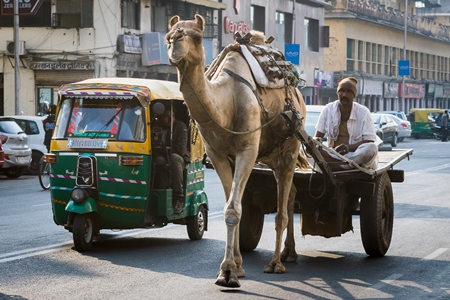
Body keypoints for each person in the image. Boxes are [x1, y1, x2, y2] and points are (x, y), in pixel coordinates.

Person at [312, 77, 378, 171]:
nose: (344, 95)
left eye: (349, 92)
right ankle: (340, 164)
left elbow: (369, 140)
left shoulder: (363, 112)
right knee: (306, 148)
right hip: (331, 154)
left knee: (371, 148)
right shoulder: (328, 109)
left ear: (354, 95)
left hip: (355, 155)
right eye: (341, 91)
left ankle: (342, 165)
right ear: (337, 93)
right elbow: (318, 136)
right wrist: (315, 144)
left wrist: (349, 147)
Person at [155, 109, 189, 214]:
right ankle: (162, 195)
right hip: (162, 157)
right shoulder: (157, 126)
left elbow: (181, 149)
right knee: (158, 161)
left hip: (179, 159)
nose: (169, 119)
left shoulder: (181, 126)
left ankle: (178, 197)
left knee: (174, 158)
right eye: (166, 116)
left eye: (172, 116)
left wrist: (162, 148)